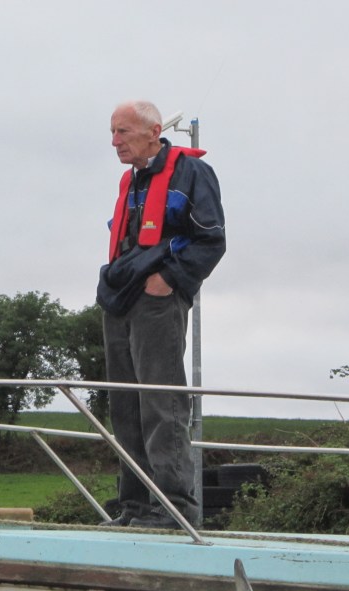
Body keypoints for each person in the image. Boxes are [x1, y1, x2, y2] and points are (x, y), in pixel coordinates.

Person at [96, 100, 226, 529]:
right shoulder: (130, 181)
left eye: (123, 132)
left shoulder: (192, 173)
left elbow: (211, 240)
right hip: (120, 298)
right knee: (125, 407)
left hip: (157, 301)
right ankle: (134, 508)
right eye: (112, 133)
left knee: (160, 402)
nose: (115, 142)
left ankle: (174, 510)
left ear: (154, 132)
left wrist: (169, 279)